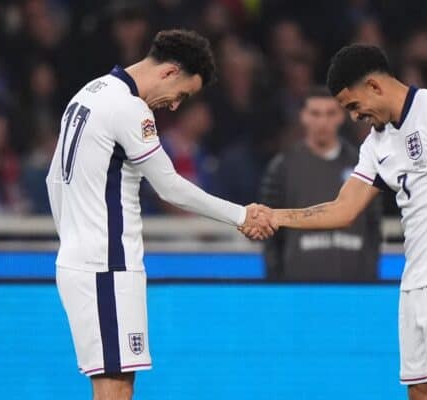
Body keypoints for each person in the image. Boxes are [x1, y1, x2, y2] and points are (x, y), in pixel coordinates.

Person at [243, 44, 427, 400]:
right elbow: (343, 209)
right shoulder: (377, 143)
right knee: (419, 390)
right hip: (415, 276)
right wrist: (275, 216)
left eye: (354, 106)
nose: (355, 116)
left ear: (374, 86)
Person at [46, 29, 274, 400]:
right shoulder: (129, 108)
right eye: (182, 93)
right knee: (116, 388)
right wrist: (241, 215)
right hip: (108, 265)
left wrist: (73, 240)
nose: (175, 106)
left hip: (83, 260)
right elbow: (169, 186)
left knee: (111, 384)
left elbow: (53, 178)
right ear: (169, 71)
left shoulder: (89, 93)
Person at [260, 86, 382, 281]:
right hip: (297, 286)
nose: (323, 122)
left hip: (355, 286)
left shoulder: (363, 163)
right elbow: (270, 233)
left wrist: (370, 276)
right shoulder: (282, 167)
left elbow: (373, 226)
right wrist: (276, 283)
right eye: (315, 114)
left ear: (341, 116)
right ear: (303, 116)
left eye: (330, 113)